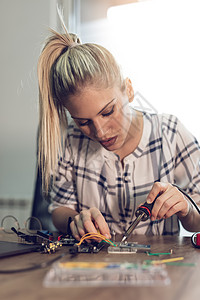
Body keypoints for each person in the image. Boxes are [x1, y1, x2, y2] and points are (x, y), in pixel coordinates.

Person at [37, 26, 200, 241]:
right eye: (83, 122)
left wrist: (187, 207)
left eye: (107, 112)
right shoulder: (72, 141)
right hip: (95, 269)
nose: (100, 132)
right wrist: (75, 220)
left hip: (161, 268)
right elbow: (59, 211)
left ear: (128, 89)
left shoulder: (170, 133)